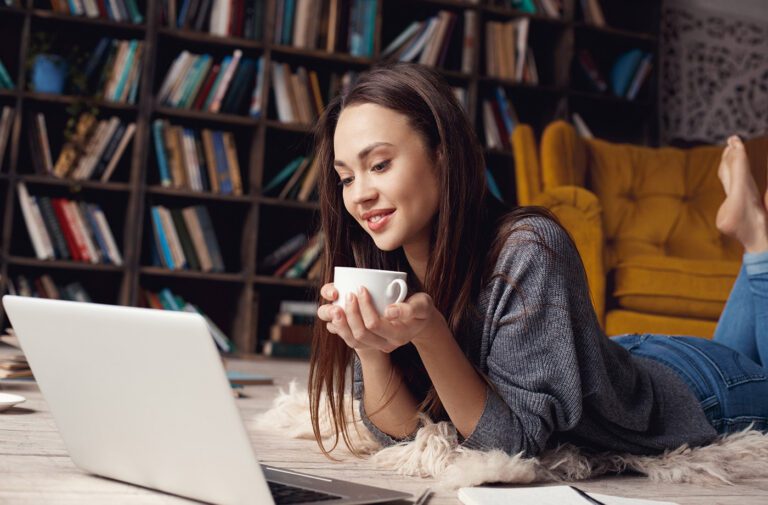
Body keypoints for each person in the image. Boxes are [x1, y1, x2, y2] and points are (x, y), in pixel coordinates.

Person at [307, 62, 768, 458]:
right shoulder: (380, 263)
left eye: (380, 165)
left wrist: (431, 335)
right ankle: (755, 240)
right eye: (346, 178)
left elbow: (512, 447)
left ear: (442, 156)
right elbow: (409, 439)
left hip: (694, 393)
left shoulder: (529, 248)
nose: (361, 194)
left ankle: (759, 241)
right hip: (617, 362)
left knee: (752, 372)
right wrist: (369, 348)